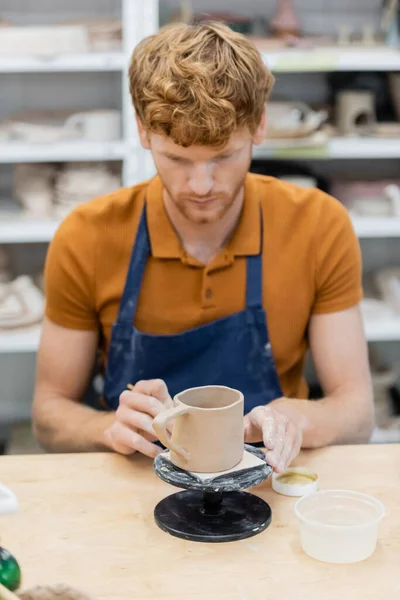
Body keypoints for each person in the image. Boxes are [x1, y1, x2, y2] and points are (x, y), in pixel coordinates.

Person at [32, 22, 374, 471]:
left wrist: (298, 418)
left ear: (259, 126)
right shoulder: (87, 236)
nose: (200, 185)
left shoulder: (317, 225)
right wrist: (105, 429)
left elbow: (358, 411)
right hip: (136, 480)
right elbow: (49, 412)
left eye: (223, 156)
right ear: (142, 131)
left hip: (269, 477)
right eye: (176, 159)